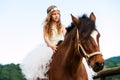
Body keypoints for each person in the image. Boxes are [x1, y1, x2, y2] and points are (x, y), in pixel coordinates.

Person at [20, 5, 66, 80]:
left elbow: (66, 36)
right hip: (49, 47)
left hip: (59, 46)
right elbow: (46, 38)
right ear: (50, 16)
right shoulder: (46, 26)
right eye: (54, 14)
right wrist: (51, 46)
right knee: (42, 65)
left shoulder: (62, 26)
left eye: (58, 14)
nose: (56, 16)